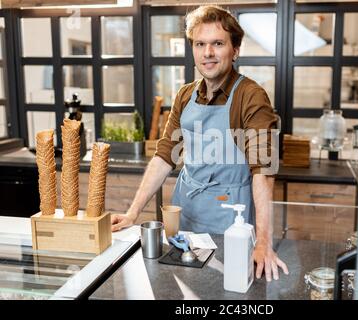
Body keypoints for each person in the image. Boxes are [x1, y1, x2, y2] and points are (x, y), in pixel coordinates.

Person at [111, 5, 288, 281]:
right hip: (187, 220)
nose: (208, 53)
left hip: (230, 224)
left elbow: (264, 171)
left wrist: (263, 241)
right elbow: (164, 156)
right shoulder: (185, 95)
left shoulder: (251, 96)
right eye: (200, 44)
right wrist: (133, 213)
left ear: (235, 50)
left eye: (217, 43)